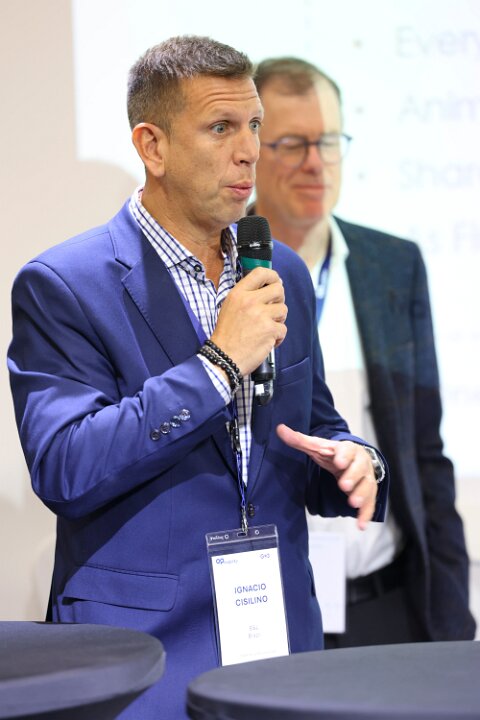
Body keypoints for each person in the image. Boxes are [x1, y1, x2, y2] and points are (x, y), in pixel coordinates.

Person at [8, 37, 389, 720]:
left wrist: (355, 462)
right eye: (221, 128)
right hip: (141, 660)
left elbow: (313, 428)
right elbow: (66, 467)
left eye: (254, 126)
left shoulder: (280, 271)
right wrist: (217, 365)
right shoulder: (63, 285)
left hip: (279, 646)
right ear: (152, 146)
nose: (249, 152)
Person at [252, 56, 476, 647]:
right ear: (250, 150)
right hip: (267, 604)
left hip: (385, 600)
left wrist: (453, 614)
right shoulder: (212, 266)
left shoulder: (391, 266)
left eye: (329, 141)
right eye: (293, 143)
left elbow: (425, 450)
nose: (315, 162)